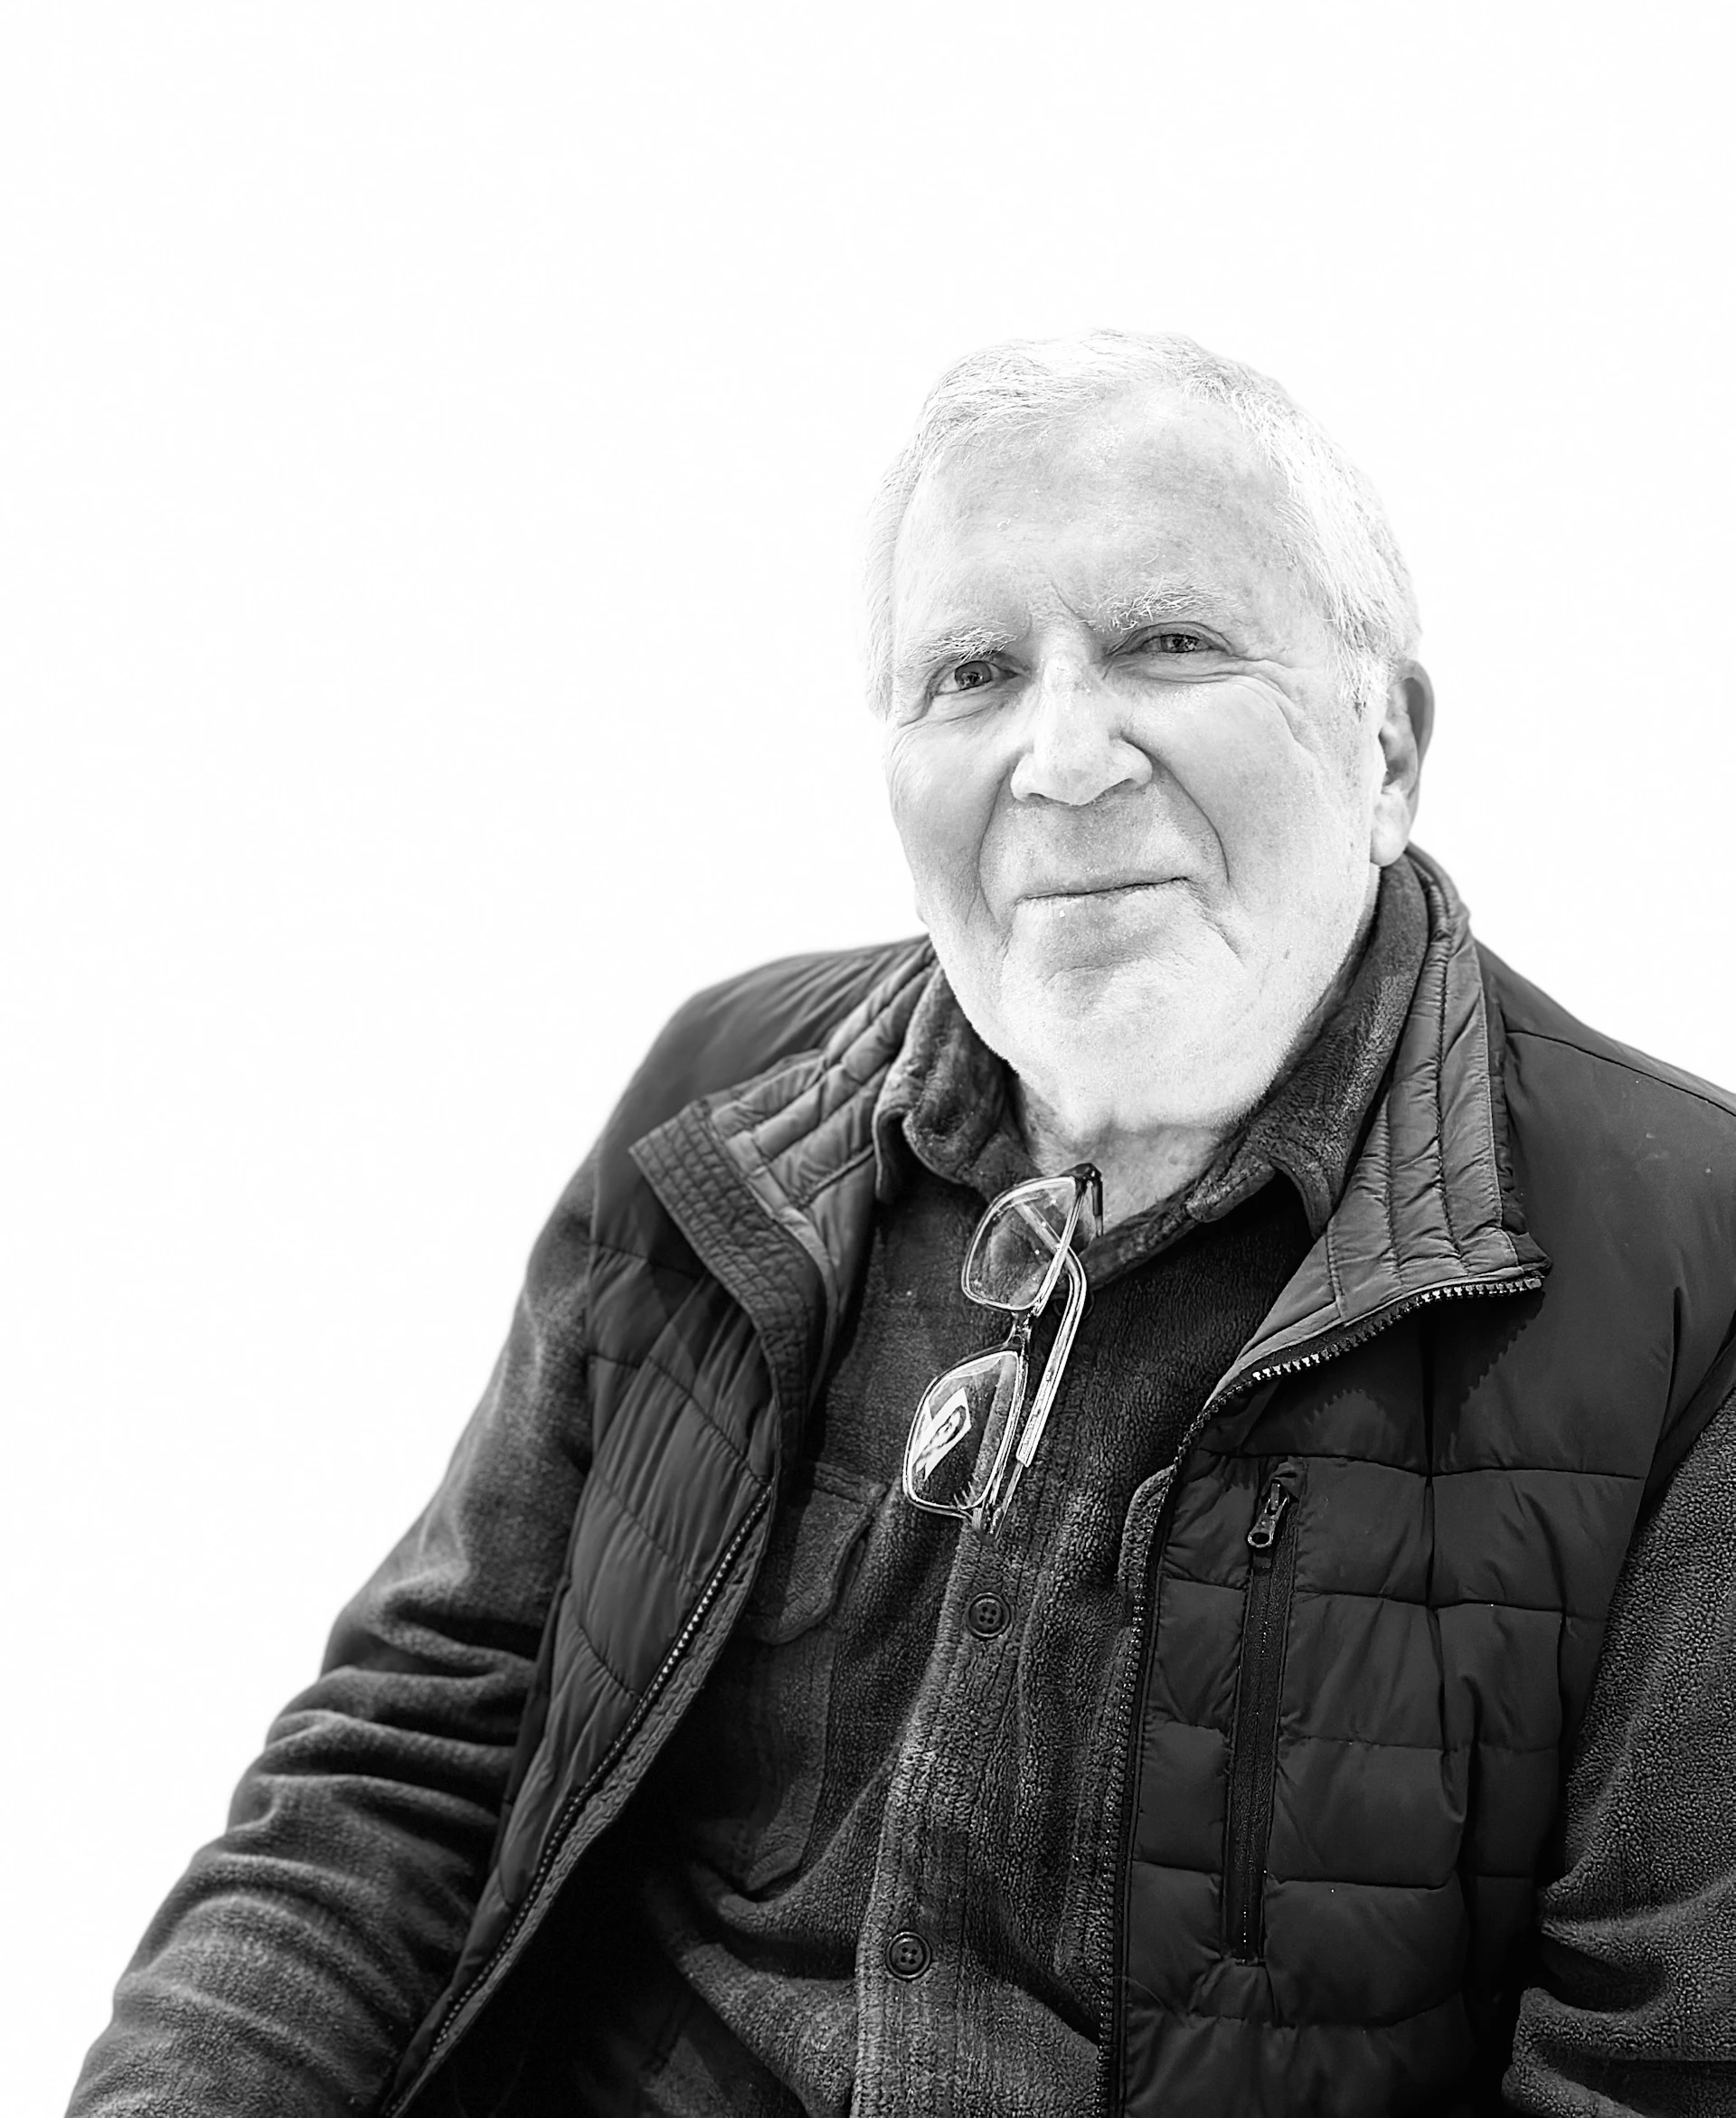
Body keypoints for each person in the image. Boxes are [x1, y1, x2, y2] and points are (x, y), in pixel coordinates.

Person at [71, 333, 1736, 2118]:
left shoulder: (1684, 1272)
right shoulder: (725, 1100)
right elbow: (409, 1752)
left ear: (1387, 738)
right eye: (973, 670)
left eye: (1169, 641)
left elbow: (1653, 2065)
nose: (1063, 752)